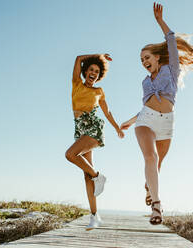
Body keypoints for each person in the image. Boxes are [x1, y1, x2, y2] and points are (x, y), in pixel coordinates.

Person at [120, 3, 193, 225]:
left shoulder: (171, 70)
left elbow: (170, 39)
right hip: (146, 121)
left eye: (146, 57)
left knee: (156, 167)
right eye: (141, 60)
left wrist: (159, 21)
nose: (144, 62)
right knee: (151, 157)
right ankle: (157, 207)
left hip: (167, 123)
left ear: (157, 57)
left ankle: (149, 188)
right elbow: (145, 107)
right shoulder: (144, 81)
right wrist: (131, 122)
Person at [65, 53, 124, 230]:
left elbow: (107, 112)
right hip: (80, 131)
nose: (93, 73)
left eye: (97, 71)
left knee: (70, 154)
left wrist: (116, 128)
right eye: (91, 69)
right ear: (85, 71)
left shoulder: (99, 91)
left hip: (93, 128)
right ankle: (94, 216)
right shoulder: (76, 83)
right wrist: (98, 56)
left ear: (99, 75)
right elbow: (77, 58)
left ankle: (99, 177)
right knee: (86, 175)